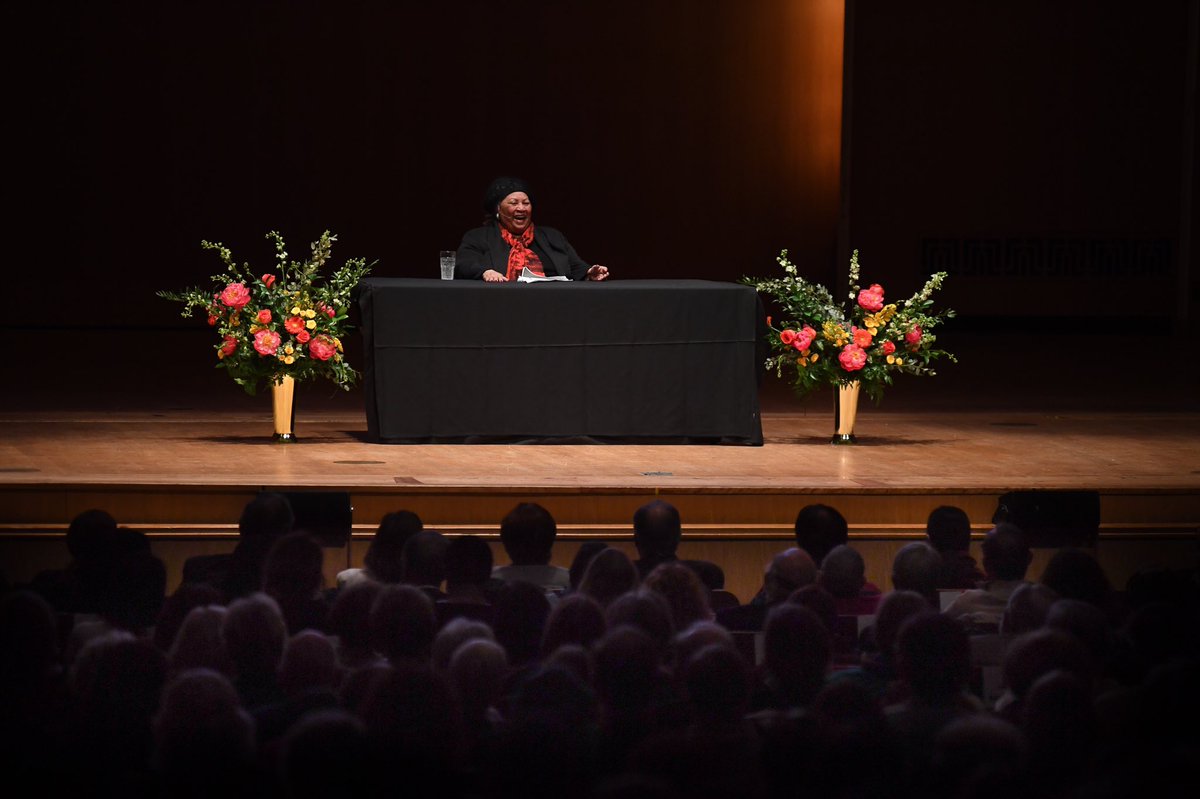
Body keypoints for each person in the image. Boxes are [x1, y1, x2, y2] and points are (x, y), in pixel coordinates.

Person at [455, 176, 610, 282]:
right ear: (498, 209)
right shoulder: (478, 237)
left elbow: (575, 266)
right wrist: (485, 272)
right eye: (514, 203)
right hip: (500, 303)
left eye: (526, 203)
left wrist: (589, 272)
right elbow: (464, 264)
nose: (521, 208)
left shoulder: (552, 236)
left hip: (553, 304)